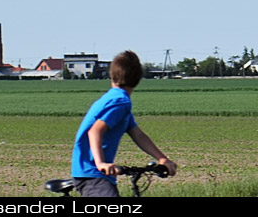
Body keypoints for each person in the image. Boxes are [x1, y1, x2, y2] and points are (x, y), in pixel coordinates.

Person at [71, 50, 178, 197]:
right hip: (92, 173)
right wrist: (101, 163)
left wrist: (162, 158)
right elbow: (95, 131)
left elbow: (138, 134)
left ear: (112, 75)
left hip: (95, 174)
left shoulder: (117, 100)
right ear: (138, 79)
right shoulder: (120, 102)